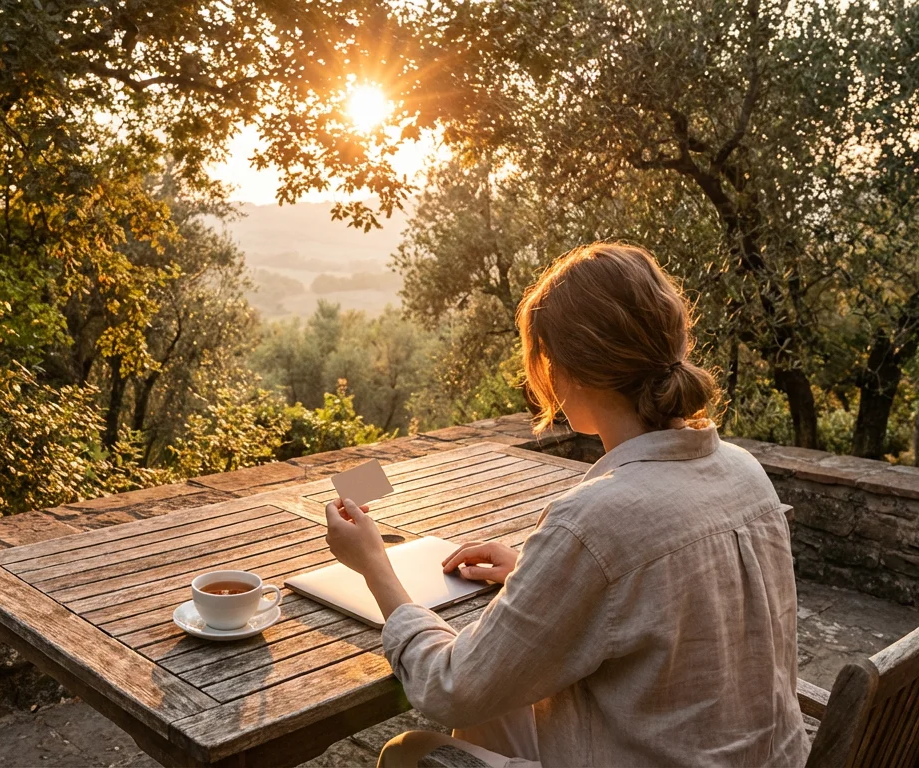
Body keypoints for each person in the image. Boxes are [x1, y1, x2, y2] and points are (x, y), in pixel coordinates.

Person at [324, 243, 808, 767]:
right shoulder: (745, 472)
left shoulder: (594, 523)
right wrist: (539, 576)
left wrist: (374, 564)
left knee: (407, 752)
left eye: (547, 360)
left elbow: (449, 688)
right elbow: (663, 592)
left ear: (571, 369)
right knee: (500, 705)